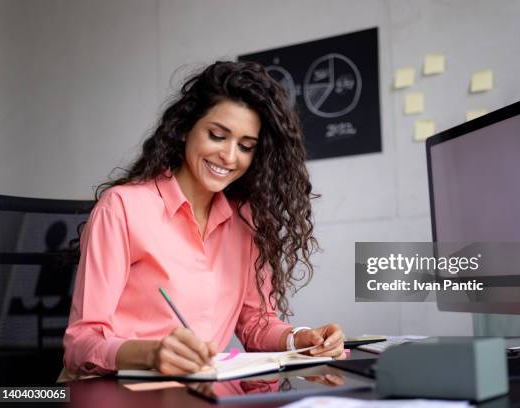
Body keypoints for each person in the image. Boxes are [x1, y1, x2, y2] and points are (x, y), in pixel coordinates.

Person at [63, 61, 346, 376]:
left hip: (194, 391)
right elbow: (81, 342)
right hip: (114, 389)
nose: (229, 156)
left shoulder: (246, 222)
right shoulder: (123, 209)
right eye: (217, 136)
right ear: (185, 129)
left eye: (245, 146)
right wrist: (151, 354)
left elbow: (255, 324)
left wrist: (300, 339)